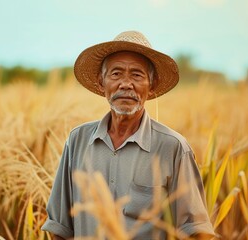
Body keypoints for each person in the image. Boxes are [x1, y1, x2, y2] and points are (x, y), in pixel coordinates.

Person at [41, 31, 215, 239]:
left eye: (137, 75)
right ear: (101, 82)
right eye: (116, 74)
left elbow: (196, 231)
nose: (126, 84)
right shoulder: (77, 140)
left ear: (151, 87)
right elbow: (59, 228)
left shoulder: (173, 147)